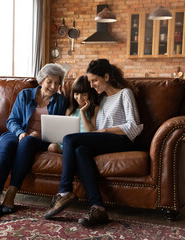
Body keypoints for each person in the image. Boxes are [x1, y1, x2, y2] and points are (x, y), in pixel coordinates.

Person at [44, 59, 143, 227]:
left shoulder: (124, 93)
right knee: (80, 150)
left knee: (69, 139)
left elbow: (134, 126)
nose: (92, 85)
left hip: (123, 140)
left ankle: (64, 191)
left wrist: (105, 131)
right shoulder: (102, 99)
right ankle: (98, 207)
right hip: (106, 141)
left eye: (94, 80)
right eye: (90, 81)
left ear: (106, 76)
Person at [0, 63, 68, 220]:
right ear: (42, 80)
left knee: (29, 142)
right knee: (8, 144)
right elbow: (12, 120)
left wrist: (40, 136)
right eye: (50, 81)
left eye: (57, 83)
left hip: (40, 140)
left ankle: (11, 193)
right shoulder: (24, 95)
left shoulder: (61, 101)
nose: (53, 86)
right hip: (17, 134)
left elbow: (58, 127)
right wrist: (21, 132)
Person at [48, 75, 99, 154]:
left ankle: (70, 152)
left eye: (84, 94)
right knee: (52, 147)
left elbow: (90, 130)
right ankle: (68, 152)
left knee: (79, 149)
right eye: (76, 94)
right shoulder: (70, 110)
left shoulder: (94, 109)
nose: (79, 97)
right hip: (69, 140)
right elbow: (63, 130)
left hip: (83, 141)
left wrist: (82, 112)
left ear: (90, 94)